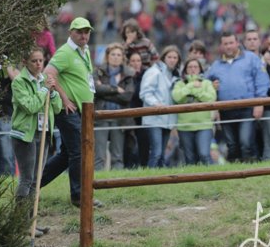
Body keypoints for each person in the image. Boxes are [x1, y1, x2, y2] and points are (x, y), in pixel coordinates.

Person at [40, 17, 101, 208]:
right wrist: (65, 98)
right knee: (79, 151)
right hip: (68, 110)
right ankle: (79, 196)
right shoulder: (65, 52)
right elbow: (47, 74)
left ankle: (33, 184)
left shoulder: (85, 50)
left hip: (81, 110)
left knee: (68, 154)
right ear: (70, 33)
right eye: (79, 32)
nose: (83, 35)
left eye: (86, 32)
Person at [10, 47, 62, 235]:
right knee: (27, 178)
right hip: (25, 135)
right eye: (34, 61)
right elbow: (30, 106)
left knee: (36, 180)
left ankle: (31, 223)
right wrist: (44, 90)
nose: (39, 64)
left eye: (41, 60)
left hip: (43, 132)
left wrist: (53, 93)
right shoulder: (19, 82)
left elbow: (57, 108)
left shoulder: (44, 80)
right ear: (25, 62)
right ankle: (20, 223)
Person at [206, 31, 270, 162]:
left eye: (231, 43)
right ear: (221, 46)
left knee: (246, 142)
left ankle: (251, 169)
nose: (228, 46)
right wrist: (211, 86)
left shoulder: (251, 58)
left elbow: (262, 81)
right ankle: (235, 170)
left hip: (247, 108)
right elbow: (206, 83)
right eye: (225, 44)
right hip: (225, 110)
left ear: (237, 43)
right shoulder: (216, 65)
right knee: (231, 145)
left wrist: (260, 103)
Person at [93, 43, 136, 171]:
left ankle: (117, 178)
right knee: (99, 155)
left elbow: (127, 97)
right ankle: (98, 178)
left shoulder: (128, 74)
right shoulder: (98, 72)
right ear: (107, 56)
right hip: (101, 116)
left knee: (117, 155)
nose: (116, 57)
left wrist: (104, 92)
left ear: (123, 57)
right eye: (113, 54)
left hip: (119, 117)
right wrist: (115, 89)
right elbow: (95, 90)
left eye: (118, 55)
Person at [139, 45, 181, 167]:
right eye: (169, 57)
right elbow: (145, 93)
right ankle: (150, 176)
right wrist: (156, 104)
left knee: (162, 154)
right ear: (163, 58)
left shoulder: (174, 75)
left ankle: (159, 177)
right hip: (154, 119)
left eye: (175, 57)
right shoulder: (154, 72)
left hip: (167, 120)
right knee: (156, 153)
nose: (172, 60)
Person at [172, 58, 217, 165]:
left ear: (200, 69)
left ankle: (212, 175)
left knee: (204, 155)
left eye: (195, 67)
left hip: (204, 125)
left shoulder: (207, 83)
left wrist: (195, 92)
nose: (193, 69)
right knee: (190, 159)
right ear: (185, 70)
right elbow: (177, 97)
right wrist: (191, 85)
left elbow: (211, 98)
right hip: (184, 126)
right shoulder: (179, 84)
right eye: (190, 67)